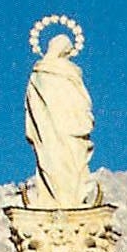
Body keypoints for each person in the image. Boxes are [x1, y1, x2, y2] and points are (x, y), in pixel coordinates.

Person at [24, 27, 96, 208]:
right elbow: (34, 104)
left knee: (68, 161)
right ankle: (55, 199)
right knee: (53, 160)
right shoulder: (40, 73)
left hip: (67, 127)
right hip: (50, 128)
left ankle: (70, 198)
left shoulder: (68, 73)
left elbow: (81, 100)